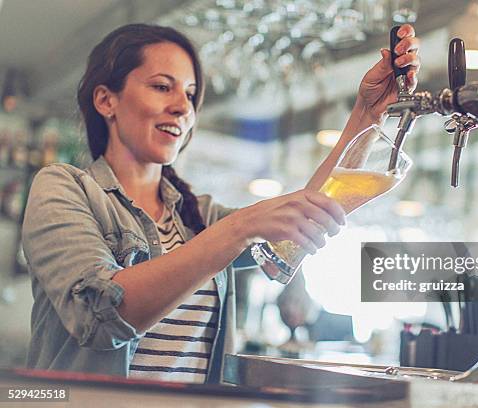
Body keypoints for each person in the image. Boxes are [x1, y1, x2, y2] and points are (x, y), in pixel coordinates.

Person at [22, 23, 420, 384]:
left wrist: (368, 113)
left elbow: (305, 213)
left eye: (191, 94)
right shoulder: (64, 188)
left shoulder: (197, 217)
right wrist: (240, 228)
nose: (183, 106)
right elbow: (102, 318)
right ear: (106, 100)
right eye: (163, 86)